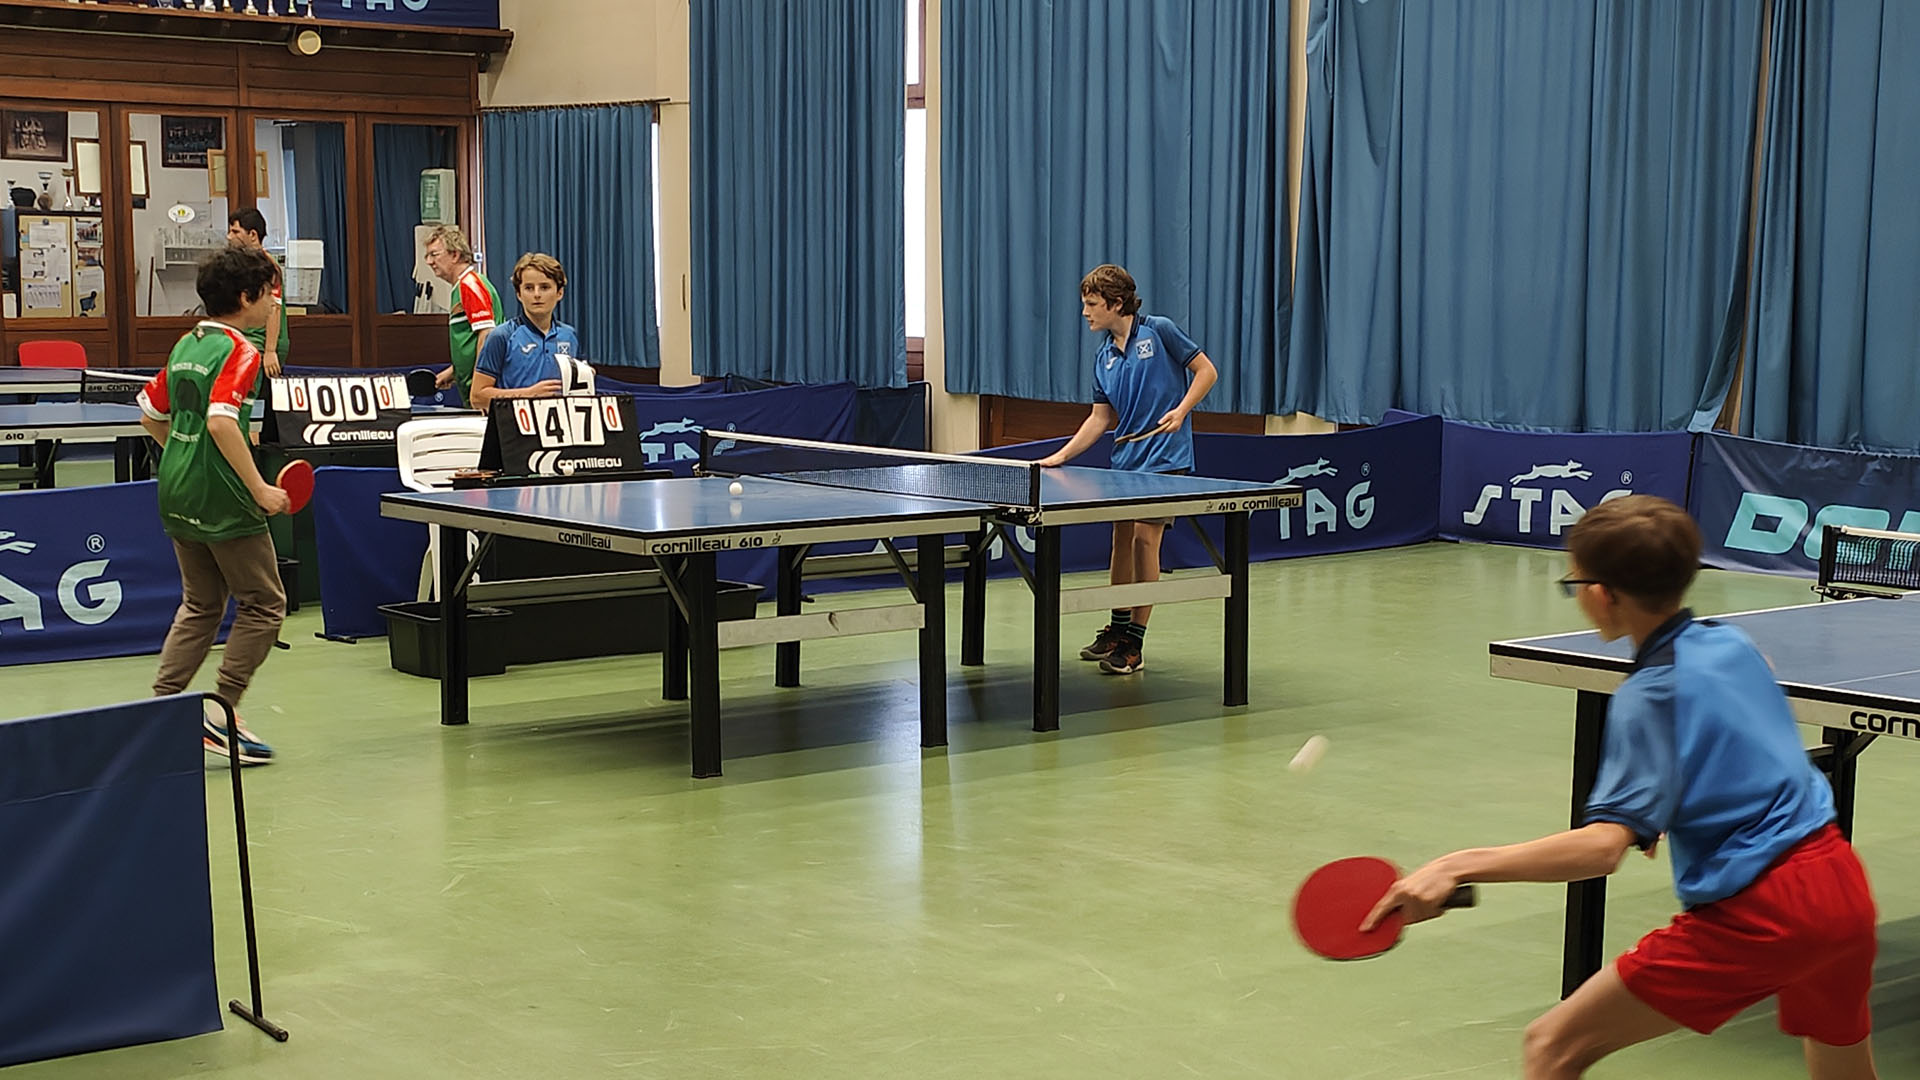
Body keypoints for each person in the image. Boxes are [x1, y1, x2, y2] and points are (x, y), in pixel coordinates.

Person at [1364, 496, 1878, 1080]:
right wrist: (1668, 805)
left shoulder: (1648, 696)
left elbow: (1601, 850)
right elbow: (1739, 744)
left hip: (1764, 910)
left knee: (1552, 1045)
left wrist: (1456, 865)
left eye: (1574, 583)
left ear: (1602, 594)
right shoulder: (1732, 644)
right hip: (1840, 885)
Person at [136, 244, 290, 766]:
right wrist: (260, 489)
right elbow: (223, 423)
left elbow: (150, 414)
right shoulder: (240, 351)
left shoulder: (188, 343)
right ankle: (222, 711)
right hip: (223, 496)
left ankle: (162, 709)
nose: (274, 303)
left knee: (201, 605)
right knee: (264, 605)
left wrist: (185, 458)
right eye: (268, 294)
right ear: (246, 297)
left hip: (175, 487)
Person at [1034, 264, 1218, 675]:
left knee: (1143, 541)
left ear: (1117, 304)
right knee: (1120, 542)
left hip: (1165, 459)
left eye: (1092, 304)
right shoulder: (1103, 358)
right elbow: (1099, 418)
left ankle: (1135, 641)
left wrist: (1182, 410)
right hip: (1125, 462)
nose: (1085, 312)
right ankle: (1116, 629)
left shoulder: (1159, 331)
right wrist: (1061, 455)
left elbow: (1207, 371)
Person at [470, 252, 582, 410]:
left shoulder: (569, 336)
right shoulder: (501, 336)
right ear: (519, 294)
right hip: (513, 423)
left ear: (559, 293)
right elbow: (477, 397)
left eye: (544, 287)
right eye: (529, 288)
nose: (537, 294)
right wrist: (528, 394)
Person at [423, 225, 501, 406]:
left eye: (434, 254)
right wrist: (453, 372)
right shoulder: (461, 287)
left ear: (455, 255)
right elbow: (470, 341)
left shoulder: (470, 284)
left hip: (482, 393)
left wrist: (479, 386)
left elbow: (487, 333)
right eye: (427, 256)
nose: (429, 261)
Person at [225, 208, 288, 377]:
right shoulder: (243, 264)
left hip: (263, 342)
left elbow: (274, 308)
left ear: (253, 235)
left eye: (235, 232)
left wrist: (270, 350)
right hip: (246, 338)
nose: (229, 237)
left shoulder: (268, 266)